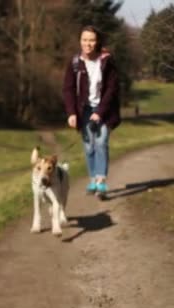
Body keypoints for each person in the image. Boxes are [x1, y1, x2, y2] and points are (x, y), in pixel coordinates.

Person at [62, 25, 121, 198]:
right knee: (89, 147)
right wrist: (71, 113)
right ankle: (93, 179)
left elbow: (112, 88)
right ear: (80, 41)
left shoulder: (106, 61)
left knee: (101, 142)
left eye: (91, 40)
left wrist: (100, 112)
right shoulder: (74, 63)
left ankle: (101, 181)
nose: (87, 44)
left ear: (97, 42)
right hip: (84, 110)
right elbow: (68, 89)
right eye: (84, 40)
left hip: (105, 109)